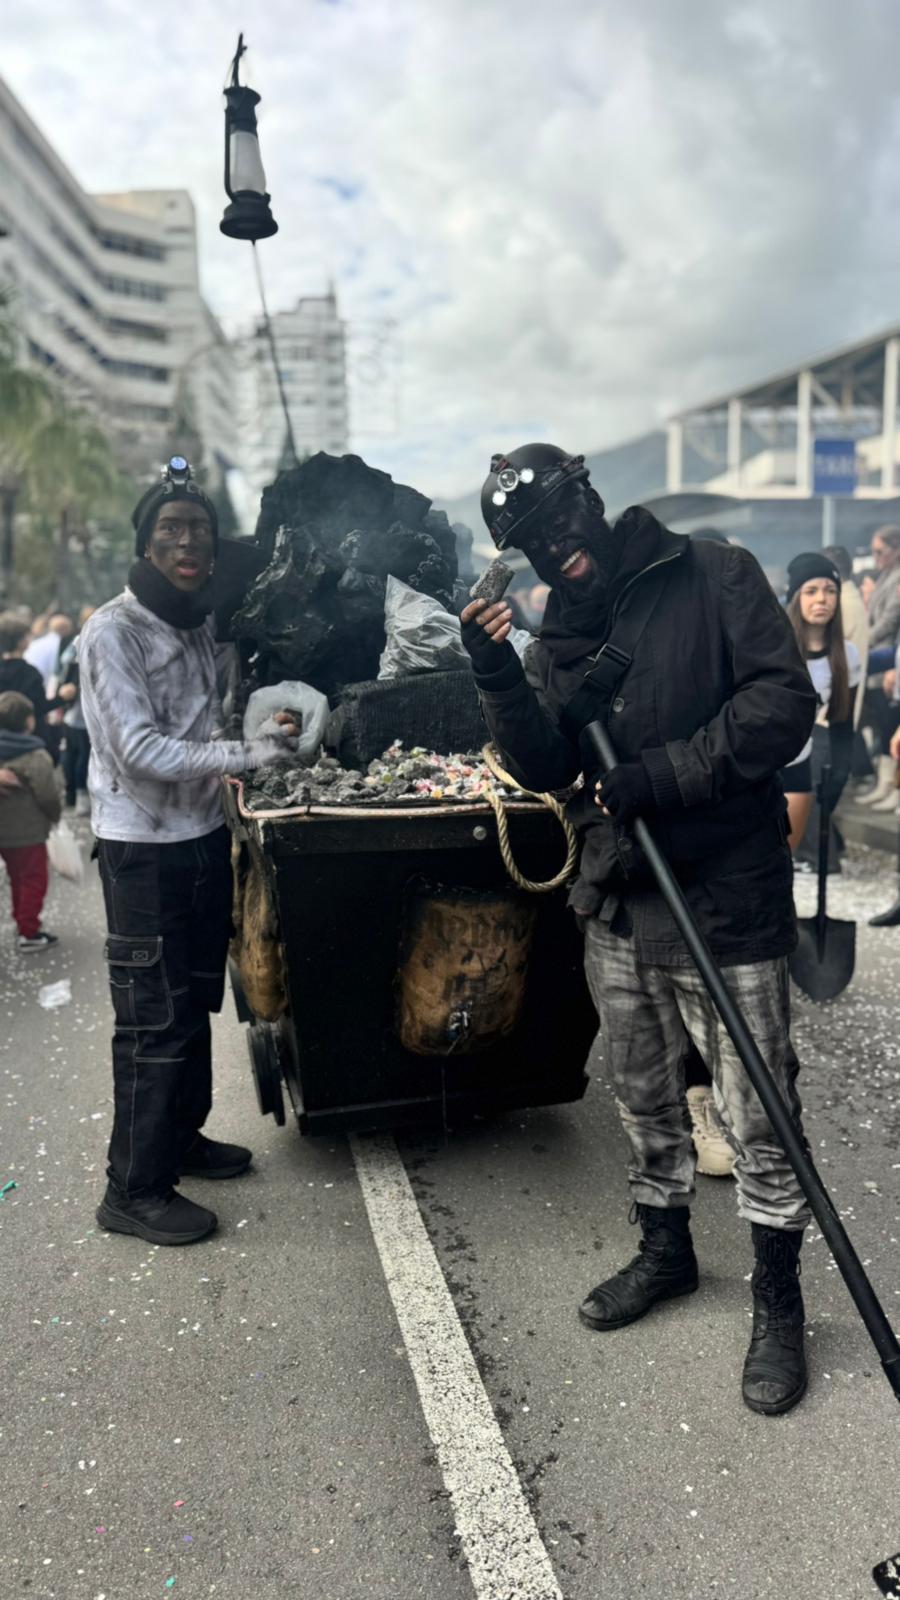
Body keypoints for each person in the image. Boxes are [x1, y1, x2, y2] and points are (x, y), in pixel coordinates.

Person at [461, 443, 816, 1415]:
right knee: (642, 1089)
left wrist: (664, 776)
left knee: (757, 1108)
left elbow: (785, 702)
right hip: (619, 897)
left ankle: (777, 1295)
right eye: (530, 545)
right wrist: (494, 667)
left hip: (727, 894)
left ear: (592, 499)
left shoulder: (712, 573)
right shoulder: (554, 642)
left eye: (560, 523)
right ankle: (666, 1252)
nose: (554, 551)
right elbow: (540, 761)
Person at [80, 456, 300, 1249]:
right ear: (145, 545)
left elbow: (216, 721)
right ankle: (132, 1189)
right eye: (169, 529)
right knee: (153, 1021)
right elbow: (138, 749)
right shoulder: (113, 631)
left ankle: (182, 1138)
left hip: (203, 839)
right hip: (141, 852)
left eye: (197, 531)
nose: (186, 543)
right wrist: (243, 757)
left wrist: (261, 729)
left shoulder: (202, 623)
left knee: (198, 1001)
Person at [779, 553, 861, 857]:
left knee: (784, 858)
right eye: (811, 591)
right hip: (758, 765)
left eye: (830, 591)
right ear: (796, 596)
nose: (821, 600)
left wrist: (839, 773)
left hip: (799, 764)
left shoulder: (847, 656)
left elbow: (843, 722)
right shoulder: (774, 646)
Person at [0, 690, 61, 951]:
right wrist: (55, 816)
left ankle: (22, 922)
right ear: (29, 721)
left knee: (16, 877)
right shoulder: (36, 756)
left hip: (4, 833)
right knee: (34, 879)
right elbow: (48, 794)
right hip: (29, 832)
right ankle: (29, 931)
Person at [59, 607, 96, 816]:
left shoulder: (72, 644)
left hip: (72, 709)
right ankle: (80, 796)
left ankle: (71, 795)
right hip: (82, 710)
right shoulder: (86, 642)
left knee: (72, 753)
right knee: (83, 754)